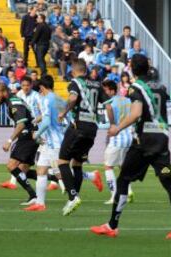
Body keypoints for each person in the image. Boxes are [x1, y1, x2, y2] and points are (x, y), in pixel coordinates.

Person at [91, 54, 171, 239]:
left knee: (123, 180)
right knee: (168, 182)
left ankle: (112, 225)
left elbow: (136, 113)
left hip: (143, 144)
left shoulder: (136, 88)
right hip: (161, 144)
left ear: (133, 68)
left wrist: (117, 128)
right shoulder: (160, 86)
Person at [58, 59, 105, 216]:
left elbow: (72, 98)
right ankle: (74, 197)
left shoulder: (75, 83)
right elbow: (109, 104)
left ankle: (73, 197)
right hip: (93, 128)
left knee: (62, 161)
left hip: (78, 126)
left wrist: (63, 112)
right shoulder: (97, 84)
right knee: (77, 163)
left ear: (73, 70)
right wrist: (112, 124)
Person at [24, 75, 65, 211]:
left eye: (39, 88)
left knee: (62, 173)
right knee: (41, 170)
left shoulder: (47, 99)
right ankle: (40, 204)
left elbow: (47, 122)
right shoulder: (59, 98)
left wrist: (37, 134)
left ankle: (91, 176)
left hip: (54, 141)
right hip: (53, 140)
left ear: (42, 87)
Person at [0, 83, 38, 205]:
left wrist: (9, 141)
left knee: (12, 166)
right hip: (31, 136)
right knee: (24, 171)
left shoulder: (14, 102)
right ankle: (57, 177)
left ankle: (33, 195)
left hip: (27, 136)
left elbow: (21, 124)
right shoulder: (11, 101)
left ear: (4, 92)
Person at [101, 80, 134, 204]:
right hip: (128, 138)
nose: (106, 92)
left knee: (108, 166)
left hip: (117, 138)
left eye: (106, 90)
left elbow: (111, 124)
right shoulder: (128, 101)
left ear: (112, 90)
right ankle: (129, 190)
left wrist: (100, 124)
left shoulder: (110, 103)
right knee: (122, 166)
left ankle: (114, 196)